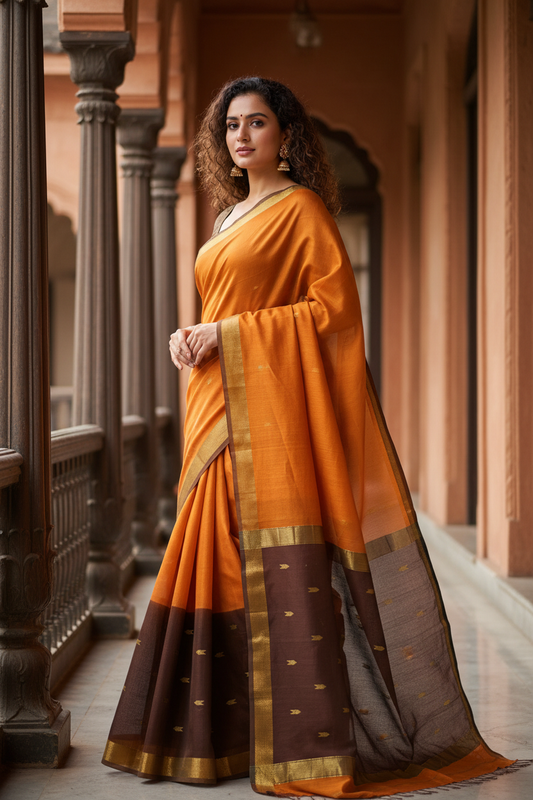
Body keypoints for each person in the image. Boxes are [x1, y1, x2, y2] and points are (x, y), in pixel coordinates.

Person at [103, 76, 512, 797]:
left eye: (257, 123)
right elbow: (222, 302)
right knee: (210, 556)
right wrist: (187, 337)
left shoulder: (301, 211)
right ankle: (214, 738)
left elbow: (331, 315)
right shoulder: (229, 217)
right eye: (231, 125)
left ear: (285, 136)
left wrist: (224, 334)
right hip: (215, 404)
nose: (241, 136)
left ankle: (299, 746)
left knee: (261, 566)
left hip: (268, 418)